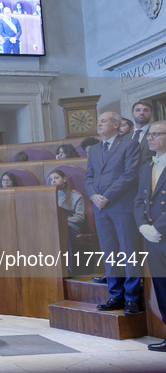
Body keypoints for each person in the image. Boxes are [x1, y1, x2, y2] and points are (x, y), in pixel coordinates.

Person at [84, 111, 142, 314]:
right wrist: (93, 196)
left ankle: (132, 299)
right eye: (98, 121)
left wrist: (106, 196)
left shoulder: (129, 144)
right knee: (109, 253)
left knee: (129, 252)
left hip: (121, 206)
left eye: (103, 121)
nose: (98, 124)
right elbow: (88, 177)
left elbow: (130, 175)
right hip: (100, 208)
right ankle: (115, 296)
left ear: (116, 125)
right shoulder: (95, 149)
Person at [133, 120, 166, 351]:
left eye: (156, 134)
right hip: (153, 239)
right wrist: (143, 226)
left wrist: (158, 228)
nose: (150, 138)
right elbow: (139, 201)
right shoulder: (147, 167)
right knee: (162, 287)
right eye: (150, 135)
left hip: (162, 232)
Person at [49, 170, 85, 276]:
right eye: (51, 179)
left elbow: (80, 217)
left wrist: (63, 220)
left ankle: (67, 268)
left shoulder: (75, 195)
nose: (53, 181)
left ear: (64, 179)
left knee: (62, 228)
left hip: (71, 226)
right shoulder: (49, 196)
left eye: (56, 178)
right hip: (54, 225)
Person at [130, 100, 155, 165]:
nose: (141, 113)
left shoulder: (157, 134)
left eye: (146, 110)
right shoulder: (125, 138)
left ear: (152, 114)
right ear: (132, 114)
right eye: (138, 110)